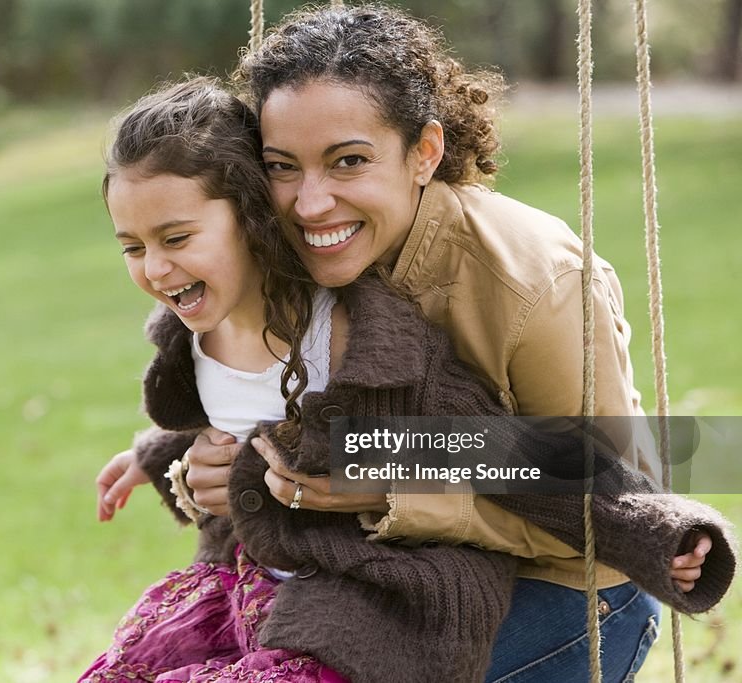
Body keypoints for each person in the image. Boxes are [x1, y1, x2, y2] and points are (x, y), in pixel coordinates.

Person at [143, 3, 731, 681]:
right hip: (388, 581)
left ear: (424, 151)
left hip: (565, 587)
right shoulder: (283, 250)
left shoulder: (537, 282)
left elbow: (612, 495)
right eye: (282, 166)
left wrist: (397, 490)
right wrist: (199, 463)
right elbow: (255, 394)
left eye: (349, 161)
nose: (310, 205)